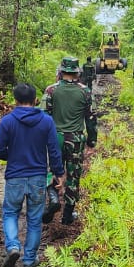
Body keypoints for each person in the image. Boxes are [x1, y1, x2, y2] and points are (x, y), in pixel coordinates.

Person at [0, 82, 65, 267]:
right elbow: (54, 150)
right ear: (35, 100)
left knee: (10, 213)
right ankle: (30, 260)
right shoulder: (46, 121)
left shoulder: (7, 121)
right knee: (34, 219)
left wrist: (12, 155)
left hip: (15, 176)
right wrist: (59, 174)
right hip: (37, 178)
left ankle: (13, 246)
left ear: (15, 101)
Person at [44, 56, 97, 225]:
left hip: (55, 138)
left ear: (61, 71)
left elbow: (44, 116)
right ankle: (68, 214)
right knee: (73, 175)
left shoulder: (51, 90)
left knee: (53, 170)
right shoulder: (85, 91)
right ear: (77, 73)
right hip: (75, 139)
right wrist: (91, 140)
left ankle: (53, 198)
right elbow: (91, 118)